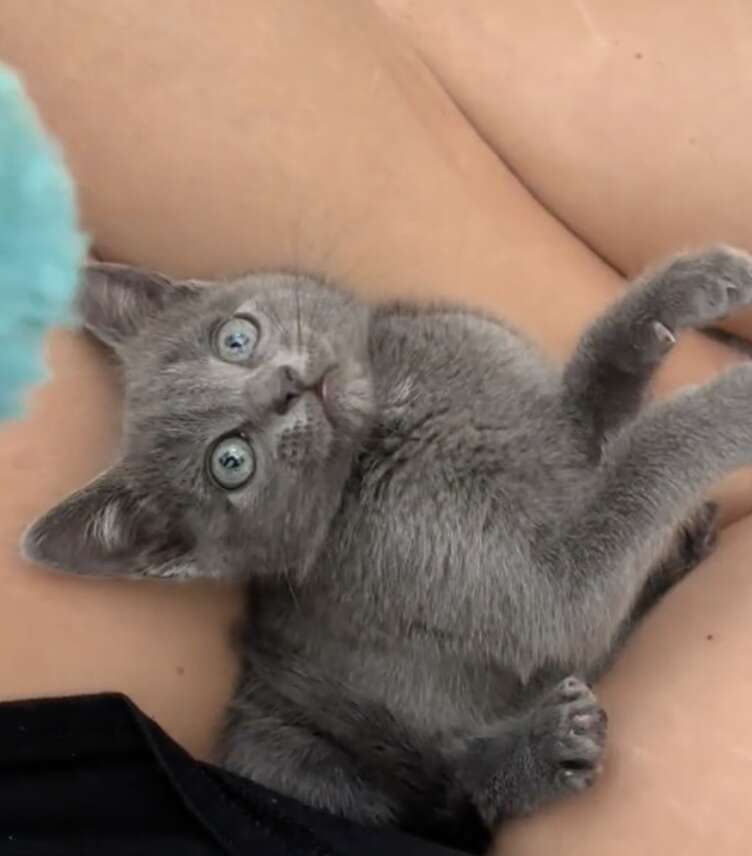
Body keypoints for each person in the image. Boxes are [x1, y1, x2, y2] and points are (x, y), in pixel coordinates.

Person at [1, 2, 751, 853]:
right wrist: (711, 422)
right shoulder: (368, 536)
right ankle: (489, 779)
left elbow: (562, 449)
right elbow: (561, 596)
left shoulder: (418, 342)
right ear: (182, 548)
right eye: (235, 459)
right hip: (364, 768)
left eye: (237, 339)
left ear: (194, 293)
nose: (280, 387)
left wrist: (627, 351)